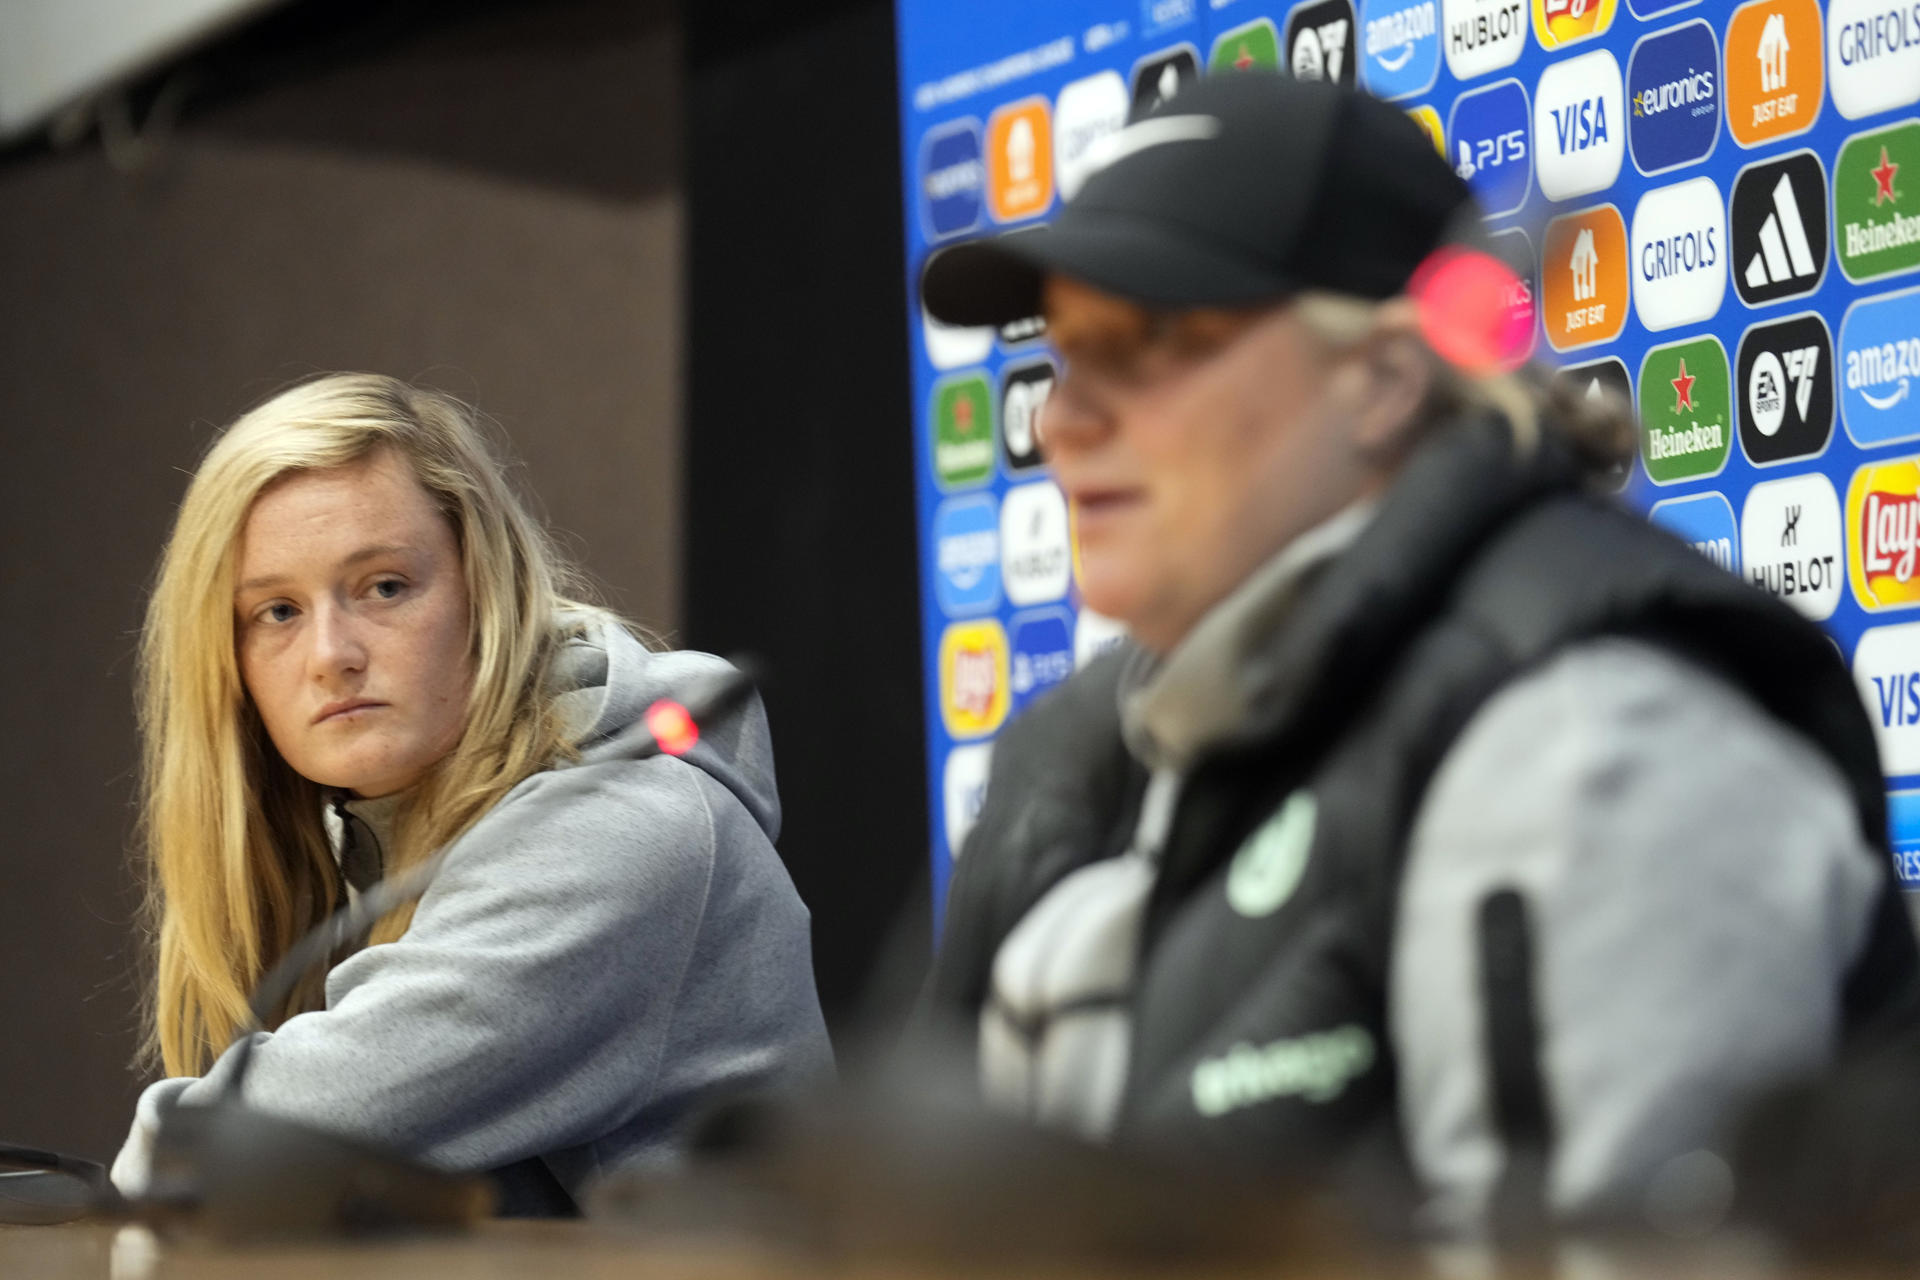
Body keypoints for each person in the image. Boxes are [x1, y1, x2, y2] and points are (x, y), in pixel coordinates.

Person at [913, 73, 1919, 1237]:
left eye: (1148, 344)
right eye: (1064, 355)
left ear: (1385, 379)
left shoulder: (1593, 735)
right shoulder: (1101, 748)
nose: (1059, 422)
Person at [110, 373, 832, 1215]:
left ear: (485, 588)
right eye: (276, 612)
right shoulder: (367, 836)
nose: (331, 654)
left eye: (384, 586)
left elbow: (232, 1154)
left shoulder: (624, 829)